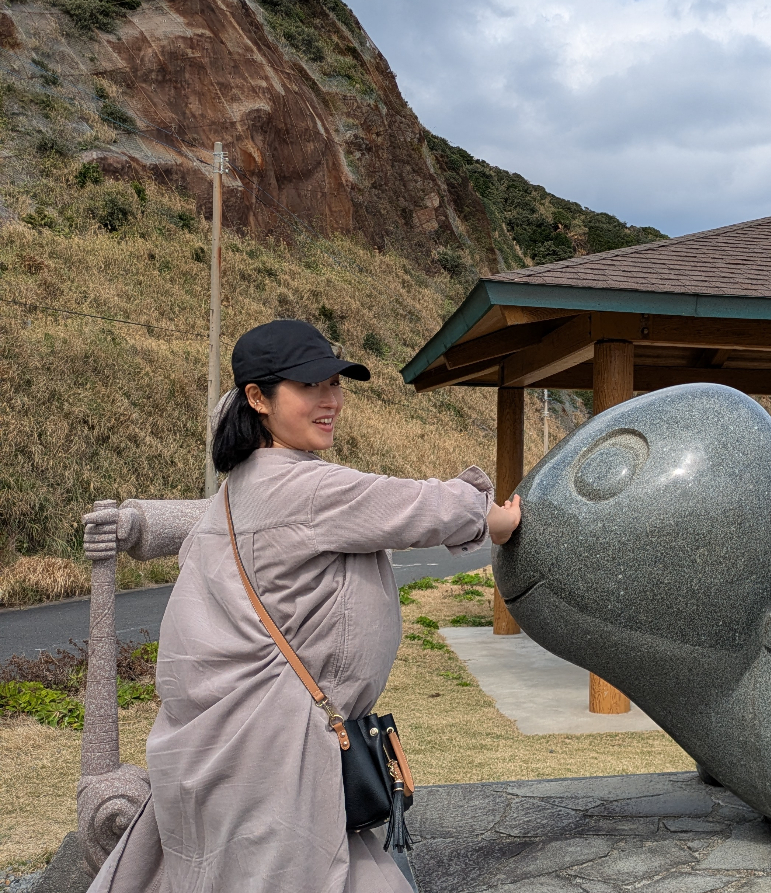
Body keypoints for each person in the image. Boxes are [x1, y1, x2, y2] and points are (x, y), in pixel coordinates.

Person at [88, 319, 521, 893]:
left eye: (336, 384)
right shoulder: (307, 489)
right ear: (258, 398)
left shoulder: (236, 491)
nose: (331, 400)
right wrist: (500, 518)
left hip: (226, 749)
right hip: (276, 754)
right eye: (310, 386)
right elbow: (421, 505)